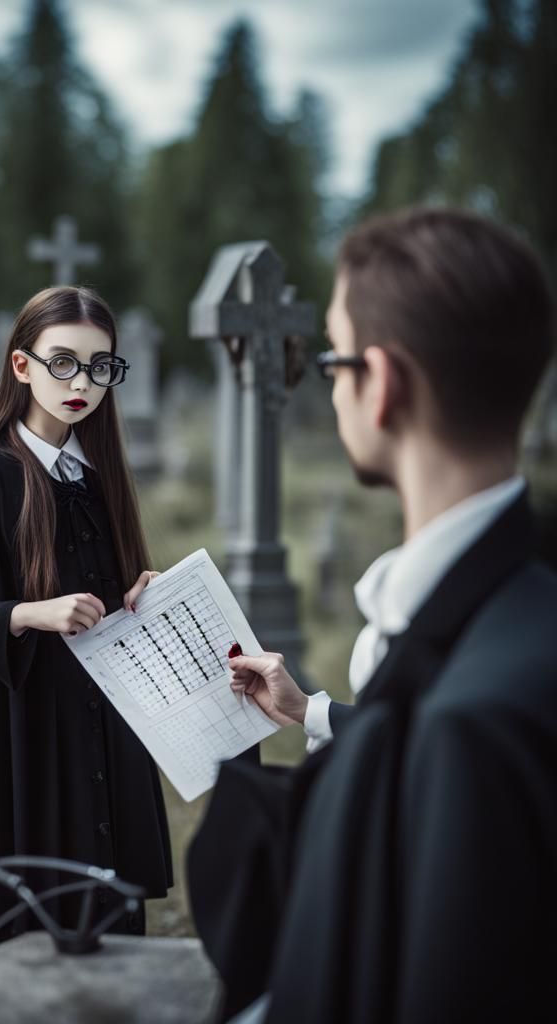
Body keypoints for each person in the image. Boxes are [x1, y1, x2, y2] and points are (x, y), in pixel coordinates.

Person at [187, 207, 557, 1023]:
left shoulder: (472, 724)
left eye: (331, 357)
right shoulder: (520, 612)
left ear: (380, 383)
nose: (329, 378)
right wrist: (310, 712)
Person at [0, 285, 173, 948]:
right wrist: (32, 612)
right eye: (63, 362)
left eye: (99, 366)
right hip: (24, 735)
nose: (81, 382)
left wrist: (139, 594)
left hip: (106, 722)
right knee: (32, 924)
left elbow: (107, 602)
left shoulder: (101, 478)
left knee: (107, 921)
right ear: (22, 365)